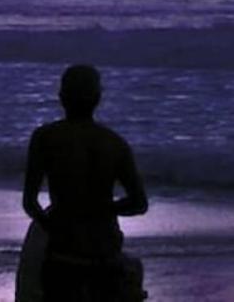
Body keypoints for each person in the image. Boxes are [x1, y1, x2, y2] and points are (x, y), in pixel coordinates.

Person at [22, 64, 148, 302]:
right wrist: (104, 208)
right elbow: (139, 203)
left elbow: (30, 202)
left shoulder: (45, 138)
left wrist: (51, 224)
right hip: (105, 250)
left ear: (61, 97)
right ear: (98, 98)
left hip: (63, 250)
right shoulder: (114, 143)